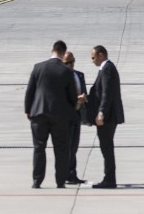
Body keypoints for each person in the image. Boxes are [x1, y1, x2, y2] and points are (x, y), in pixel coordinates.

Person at [24, 40, 77, 189]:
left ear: (52, 50)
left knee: (39, 147)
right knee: (61, 149)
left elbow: (30, 91)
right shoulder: (66, 71)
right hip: (59, 115)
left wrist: (28, 110)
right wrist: (70, 111)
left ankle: (37, 180)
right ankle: (60, 181)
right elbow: (72, 96)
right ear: (63, 52)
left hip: (38, 113)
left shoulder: (38, 67)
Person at [88, 45, 125, 189]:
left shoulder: (107, 68)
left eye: (93, 57)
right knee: (106, 147)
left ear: (101, 55)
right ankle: (109, 178)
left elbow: (106, 93)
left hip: (107, 117)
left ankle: (109, 179)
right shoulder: (106, 68)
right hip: (108, 115)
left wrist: (101, 112)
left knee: (106, 147)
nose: (92, 60)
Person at [63, 51, 88, 185]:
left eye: (72, 62)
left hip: (77, 114)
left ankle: (72, 174)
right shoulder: (60, 77)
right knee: (67, 147)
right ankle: (66, 174)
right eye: (67, 63)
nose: (70, 65)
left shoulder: (79, 75)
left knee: (74, 146)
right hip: (66, 116)